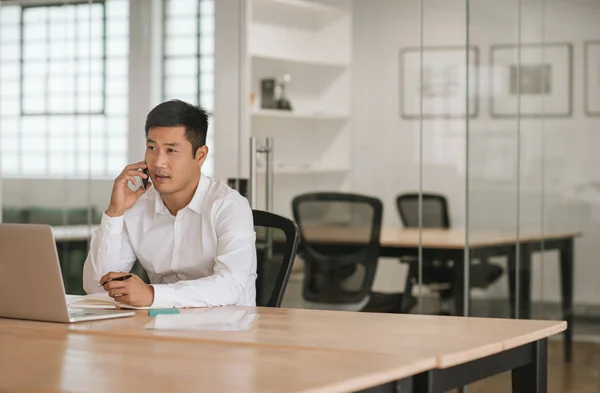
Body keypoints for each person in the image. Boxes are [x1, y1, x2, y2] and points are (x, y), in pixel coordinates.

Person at [82, 99, 256, 308]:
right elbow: (97, 287)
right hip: (160, 328)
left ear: (200, 156)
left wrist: (153, 295)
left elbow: (231, 287)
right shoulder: (138, 205)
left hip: (225, 330)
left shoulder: (229, 206)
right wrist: (115, 212)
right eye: (152, 147)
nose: (158, 162)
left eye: (171, 150)